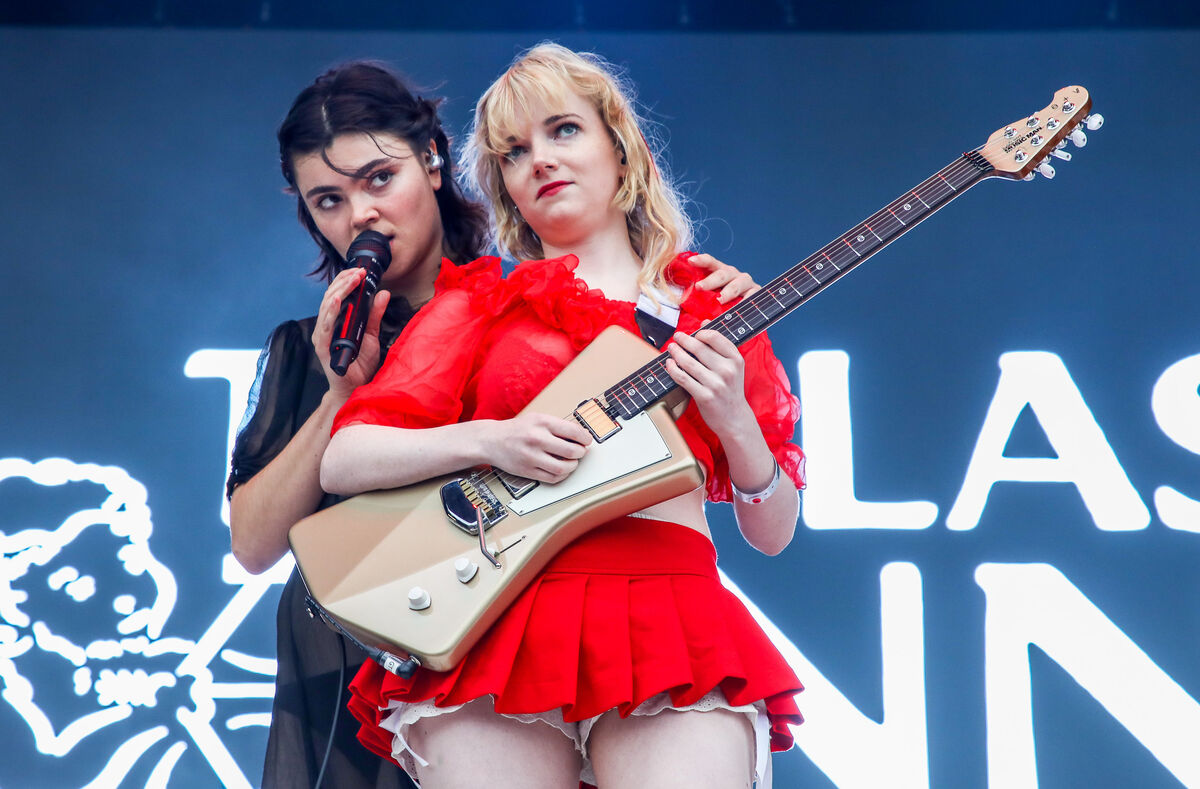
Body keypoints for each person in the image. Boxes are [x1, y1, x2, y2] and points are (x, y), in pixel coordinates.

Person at [227, 59, 761, 788]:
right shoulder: (317, 344)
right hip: (360, 628)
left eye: (378, 179)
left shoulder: (510, 294)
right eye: (327, 199)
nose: (359, 215)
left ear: (434, 163)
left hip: (508, 615)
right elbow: (255, 540)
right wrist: (339, 393)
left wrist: (699, 304)